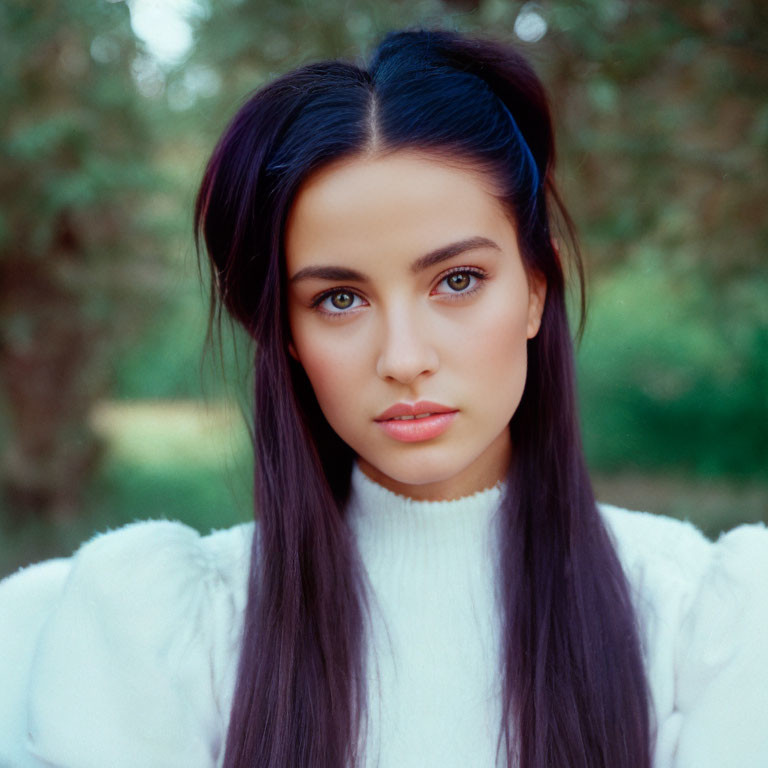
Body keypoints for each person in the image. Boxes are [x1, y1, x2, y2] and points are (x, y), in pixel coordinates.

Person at [0, 26, 766, 768]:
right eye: (339, 299)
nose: (403, 358)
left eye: (456, 281)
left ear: (537, 289)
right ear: (288, 335)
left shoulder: (700, 628)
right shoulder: (158, 637)